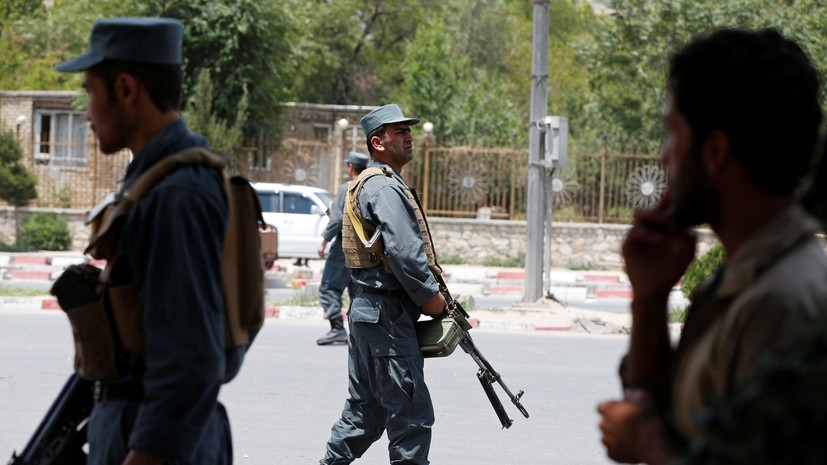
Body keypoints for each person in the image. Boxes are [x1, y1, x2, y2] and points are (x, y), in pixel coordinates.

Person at [597, 28, 827, 464]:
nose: (664, 156)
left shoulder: (781, 304)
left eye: (672, 133)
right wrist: (649, 297)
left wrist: (649, 446)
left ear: (715, 150)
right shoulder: (749, 273)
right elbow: (659, 404)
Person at [56, 18, 242, 465]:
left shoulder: (176, 195)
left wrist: (145, 454)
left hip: (156, 441)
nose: (86, 114)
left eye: (89, 93)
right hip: (141, 426)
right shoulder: (160, 180)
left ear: (125, 89)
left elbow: (191, 361)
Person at [320, 104, 447, 465]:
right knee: (411, 418)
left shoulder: (372, 183)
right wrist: (430, 298)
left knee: (366, 413)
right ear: (377, 142)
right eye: (400, 132)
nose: (409, 137)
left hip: (368, 311)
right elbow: (405, 253)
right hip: (387, 316)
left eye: (409, 131)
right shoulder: (383, 187)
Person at [316, 150, 369, 345]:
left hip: (342, 246)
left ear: (350, 167)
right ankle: (358, 332)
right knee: (355, 290)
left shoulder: (346, 188)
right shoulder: (367, 187)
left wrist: (324, 241)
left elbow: (337, 219)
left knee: (329, 287)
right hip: (362, 248)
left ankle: (337, 327)